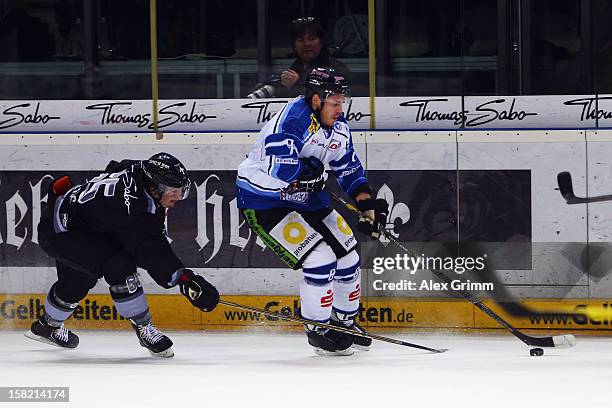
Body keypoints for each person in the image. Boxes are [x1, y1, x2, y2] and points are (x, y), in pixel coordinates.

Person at [237, 67, 388, 355]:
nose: (340, 108)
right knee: (320, 259)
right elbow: (282, 170)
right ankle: (317, 329)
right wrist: (307, 170)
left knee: (348, 255)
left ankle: (343, 322)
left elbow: (349, 169)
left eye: (342, 101)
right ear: (316, 99)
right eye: (334, 102)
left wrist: (367, 205)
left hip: (306, 197)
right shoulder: (291, 119)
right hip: (265, 200)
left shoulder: (339, 128)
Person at [26, 153, 219, 358]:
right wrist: (184, 278)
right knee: (118, 263)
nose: (178, 196)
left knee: (79, 279)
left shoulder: (139, 173)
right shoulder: (130, 207)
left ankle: (46, 326)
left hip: (81, 221)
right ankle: (144, 328)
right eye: (173, 190)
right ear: (155, 188)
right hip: (61, 232)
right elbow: (150, 250)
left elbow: (117, 166)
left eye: (181, 189)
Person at [247, 17, 350, 99]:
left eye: (312, 39)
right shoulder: (293, 71)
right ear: (294, 46)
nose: (306, 44)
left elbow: (333, 99)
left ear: (321, 42)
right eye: (301, 40)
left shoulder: (338, 69)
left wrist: (297, 86)